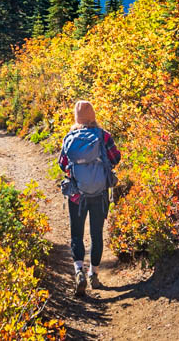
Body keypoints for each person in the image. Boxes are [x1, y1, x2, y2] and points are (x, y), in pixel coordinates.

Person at [58, 100, 121, 296]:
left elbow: (62, 164)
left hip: (77, 195)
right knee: (96, 234)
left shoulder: (70, 137)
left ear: (76, 118)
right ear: (93, 116)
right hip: (100, 193)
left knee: (76, 234)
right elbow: (115, 158)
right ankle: (93, 274)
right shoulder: (104, 136)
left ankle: (78, 271)